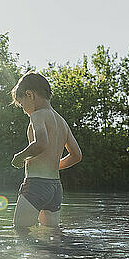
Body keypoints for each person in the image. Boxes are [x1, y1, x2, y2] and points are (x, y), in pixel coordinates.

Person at [10, 72, 82, 229]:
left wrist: (20, 157)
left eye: (22, 104)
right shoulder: (62, 121)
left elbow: (41, 143)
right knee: (52, 235)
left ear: (30, 95)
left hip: (36, 184)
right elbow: (76, 155)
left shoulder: (37, 115)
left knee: (20, 230)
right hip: (55, 188)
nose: (23, 110)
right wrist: (55, 165)